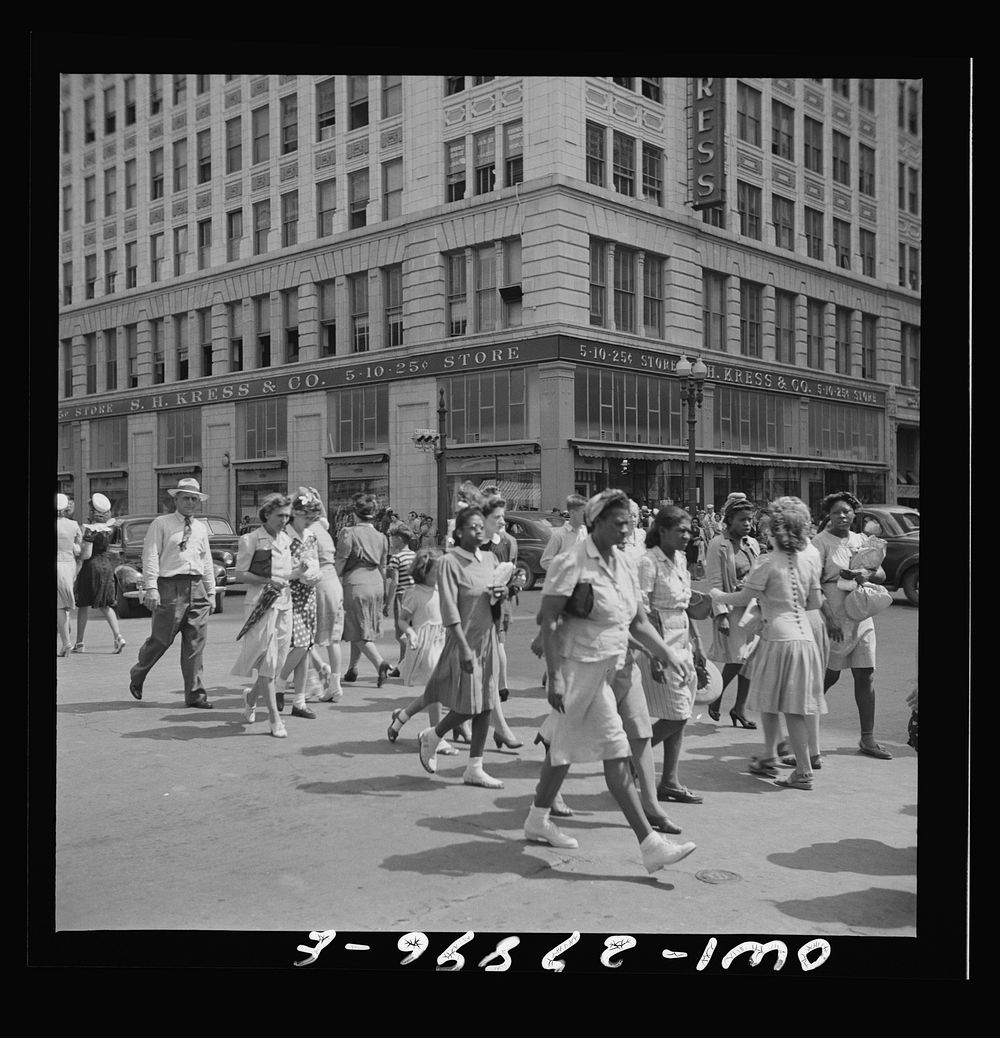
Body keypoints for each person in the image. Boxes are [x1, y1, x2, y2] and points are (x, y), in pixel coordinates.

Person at [521, 488, 697, 874]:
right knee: (615, 750)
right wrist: (554, 679)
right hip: (577, 669)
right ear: (595, 522)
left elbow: (637, 621)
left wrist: (665, 653)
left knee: (563, 749)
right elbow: (548, 622)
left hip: (608, 667)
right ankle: (650, 845)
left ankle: (537, 818)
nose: (626, 530)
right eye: (618, 524)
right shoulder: (571, 562)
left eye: (630, 524)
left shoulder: (623, 564)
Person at [709, 497, 829, 790]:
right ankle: (771, 756)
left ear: (775, 529)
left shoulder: (767, 562)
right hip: (804, 641)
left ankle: (797, 769)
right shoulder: (807, 561)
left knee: (774, 703)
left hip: (777, 638)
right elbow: (814, 601)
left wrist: (716, 594)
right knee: (788, 705)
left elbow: (741, 598)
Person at [416, 506, 507, 789]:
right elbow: (450, 609)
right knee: (470, 704)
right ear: (458, 533)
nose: (478, 531)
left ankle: (474, 767)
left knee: (487, 705)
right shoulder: (449, 562)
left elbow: (492, 602)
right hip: (463, 642)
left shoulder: (491, 558)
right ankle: (434, 735)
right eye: (472, 527)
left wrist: (502, 594)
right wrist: (464, 647)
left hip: (487, 640)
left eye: (482, 527)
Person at [810, 491, 892, 759]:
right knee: (829, 675)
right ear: (828, 516)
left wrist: (865, 573)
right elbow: (812, 584)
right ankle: (803, 731)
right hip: (833, 612)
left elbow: (881, 573)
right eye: (836, 512)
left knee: (865, 673)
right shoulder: (820, 542)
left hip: (860, 610)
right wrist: (829, 617)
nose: (842, 516)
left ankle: (867, 738)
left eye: (846, 511)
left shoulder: (863, 541)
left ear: (854, 513)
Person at [635, 506, 706, 805]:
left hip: (682, 643)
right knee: (677, 714)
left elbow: (686, 609)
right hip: (660, 645)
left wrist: (698, 645)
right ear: (661, 530)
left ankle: (670, 780)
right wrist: (654, 654)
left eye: (690, 531)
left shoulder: (679, 561)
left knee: (680, 714)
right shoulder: (648, 563)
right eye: (681, 530)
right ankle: (631, 757)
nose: (688, 536)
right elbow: (643, 612)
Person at [128, 478, 214, 706]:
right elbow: (150, 556)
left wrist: (211, 592)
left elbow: (206, 562)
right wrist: (151, 588)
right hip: (169, 587)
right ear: (175, 499)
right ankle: (138, 672)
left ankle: (195, 695)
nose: (190, 502)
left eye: (194, 498)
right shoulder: (162, 523)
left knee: (195, 644)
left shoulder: (201, 528)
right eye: (185, 497)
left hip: (197, 588)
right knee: (161, 640)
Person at [233, 493, 297, 737]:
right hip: (260, 606)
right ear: (267, 514)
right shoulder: (250, 539)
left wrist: (300, 573)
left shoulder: (286, 539)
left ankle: (251, 696)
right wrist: (268, 580)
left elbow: (287, 574)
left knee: (277, 663)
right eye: (280, 515)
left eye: (287, 516)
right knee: (267, 663)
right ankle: (274, 719)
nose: (284, 520)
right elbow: (240, 575)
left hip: (284, 606)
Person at [385, 549, 456, 755]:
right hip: (425, 645)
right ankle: (437, 737)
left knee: (436, 692)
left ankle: (401, 718)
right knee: (437, 691)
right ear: (423, 571)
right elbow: (402, 620)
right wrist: (410, 633)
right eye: (436, 570)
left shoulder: (442, 589)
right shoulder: (414, 593)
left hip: (442, 642)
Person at [705, 495, 761, 728]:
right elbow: (715, 582)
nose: (747, 524)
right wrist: (721, 615)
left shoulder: (753, 543)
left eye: (749, 519)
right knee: (737, 658)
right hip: (732, 607)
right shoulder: (718, 544)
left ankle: (739, 708)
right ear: (729, 521)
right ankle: (716, 696)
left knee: (750, 661)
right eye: (742, 520)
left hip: (753, 608)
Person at [481, 498, 526, 749]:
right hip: (470, 623)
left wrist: (509, 585)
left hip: (492, 616)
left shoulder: (506, 543)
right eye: (497, 517)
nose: (502, 521)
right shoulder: (467, 548)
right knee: (445, 687)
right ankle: (412, 721)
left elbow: (514, 571)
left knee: (488, 679)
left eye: (502, 516)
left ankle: (500, 729)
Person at [276, 490, 323, 721]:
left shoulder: (311, 536)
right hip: (290, 595)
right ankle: (279, 684)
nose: (309, 522)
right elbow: (280, 571)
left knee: (305, 649)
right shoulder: (285, 536)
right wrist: (299, 573)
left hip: (308, 595)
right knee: (300, 646)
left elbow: (315, 560)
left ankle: (299, 700)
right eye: (306, 518)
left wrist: (315, 573)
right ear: (294, 513)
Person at [336, 493, 391, 686]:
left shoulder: (348, 533)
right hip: (376, 582)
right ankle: (352, 668)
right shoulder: (382, 537)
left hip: (355, 582)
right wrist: (385, 591)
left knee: (354, 627)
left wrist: (334, 578)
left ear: (354, 513)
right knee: (361, 626)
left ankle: (380, 663)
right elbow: (384, 566)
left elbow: (341, 560)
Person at [73, 493, 126, 655]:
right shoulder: (111, 528)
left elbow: (87, 554)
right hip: (106, 566)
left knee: (83, 604)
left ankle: (80, 642)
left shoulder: (89, 529)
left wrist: (77, 552)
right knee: (105, 604)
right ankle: (118, 637)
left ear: (93, 511)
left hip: (91, 568)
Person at [308, 500, 345, 704]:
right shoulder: (323, 528)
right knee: (333, 638)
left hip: (319, 582)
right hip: (333, 582)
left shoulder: (306, 531)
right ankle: (335, 683)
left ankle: (317, 673)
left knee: (304, 636)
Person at [384, 522, 417, 678]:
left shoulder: (396, 558)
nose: (390, 540)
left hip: (402, 597)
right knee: (411, 631)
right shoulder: (415, 556)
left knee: (401, 634)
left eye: (392, 537)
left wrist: (387, 602)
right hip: (415, 597)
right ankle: (406, 664)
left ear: (399, 539)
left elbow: (395, 582)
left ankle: (403, 665)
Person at [56, 492, 81, 656]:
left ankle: (66, 642)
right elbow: (78, 549)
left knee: (59, 605)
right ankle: (66, 639)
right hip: (70, 565)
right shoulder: (74, 525)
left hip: (57, 565)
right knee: (64, 605)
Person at [539, 494, 589, 570]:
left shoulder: (585, 531)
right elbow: (545, 561)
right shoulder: (560, 535)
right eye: (583, 512)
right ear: (572, 513)